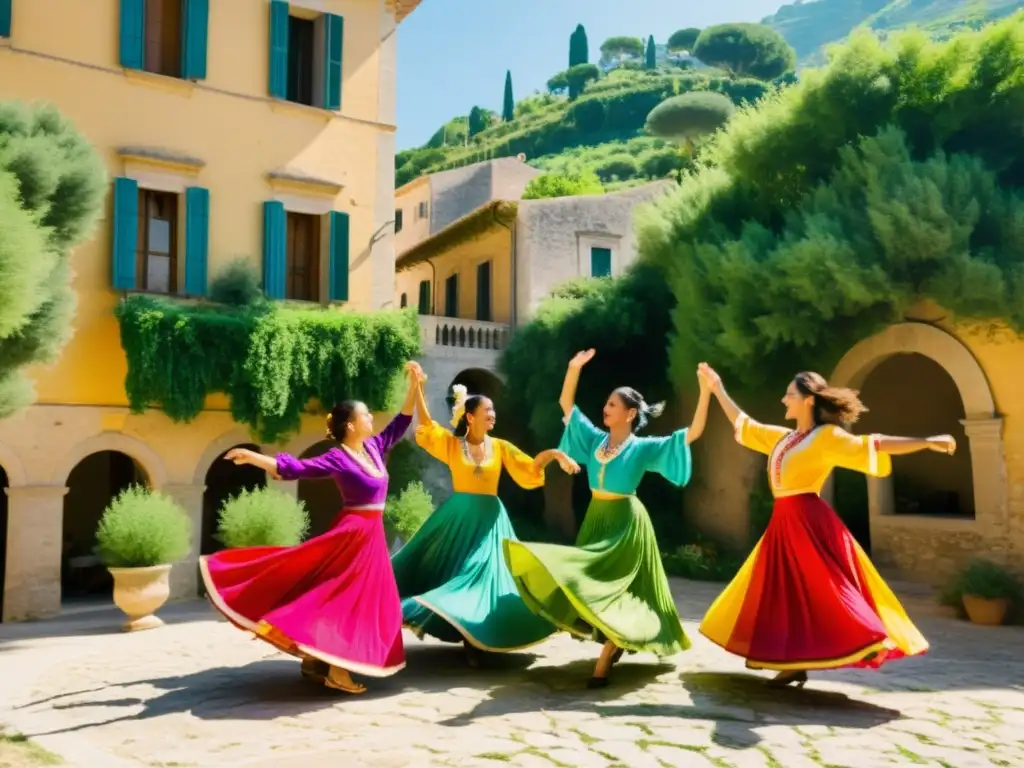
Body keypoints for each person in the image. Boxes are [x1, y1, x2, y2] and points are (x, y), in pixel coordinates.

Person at [698, 364, 955, 688]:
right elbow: (744, 424)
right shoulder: (784, 438)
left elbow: (873, 444)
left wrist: (926, 441)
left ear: (808, 400)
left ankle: (867, 637)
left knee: (825, 590)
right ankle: (794, 664)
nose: (783, 400)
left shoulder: (827, 437)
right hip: (783, 523)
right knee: (784, 592)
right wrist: (717, 388)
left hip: (809, 522)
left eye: (790, 394)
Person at [199, 361, 425, 694]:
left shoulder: (375, 448)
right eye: (365, 416)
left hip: (371, 535)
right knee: (347, 598)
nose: (371, 420)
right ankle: (338, 671)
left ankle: (314, 659)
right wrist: (255, 458)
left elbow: (402, 421)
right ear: (350, 425)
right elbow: (296, 468)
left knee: (346, 596)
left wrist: (414, 384)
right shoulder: (338, 457)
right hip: (352, 534)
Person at [504, 349, 713, 688]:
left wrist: (705, 392)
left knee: (617, 590)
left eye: (613, 405)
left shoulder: (643, 448)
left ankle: (606, 657)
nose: (606, 408)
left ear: (630, 414)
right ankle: (612, 642)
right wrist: (573, 368)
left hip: (626, 523)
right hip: (596, 518)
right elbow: (566, 405)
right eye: (606, 403)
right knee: (588, 581)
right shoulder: (594, 441)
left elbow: (692, 433)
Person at [392, 382, 579, 665]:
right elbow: (427, 426)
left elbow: (530, 468)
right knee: (457, 572)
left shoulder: (501, 447)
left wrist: (555, 454)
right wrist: (417, 386)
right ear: (470, 416)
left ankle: (476, 640)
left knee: (481, 572)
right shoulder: (454, 446)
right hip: (459, 518)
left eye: (493, 409)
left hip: (490, 520)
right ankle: (469, 635)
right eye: (487, 409)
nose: (493, 414)